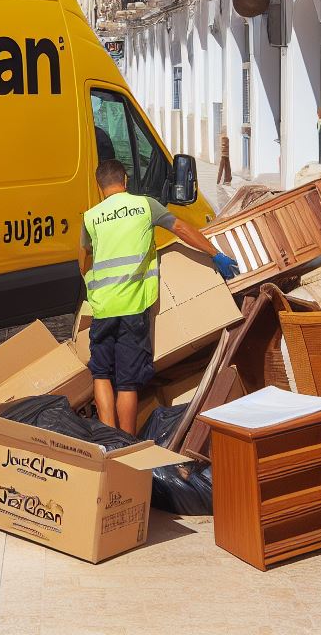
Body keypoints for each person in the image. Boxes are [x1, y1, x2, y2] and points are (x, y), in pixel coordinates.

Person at [78, 159, 239, 435]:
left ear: (99, 186)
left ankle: (107, 439)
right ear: (126, 181)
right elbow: (182, 229)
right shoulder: (144, 206)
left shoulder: (90, 217)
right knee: (127, 381)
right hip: (132, 307)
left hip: (103, 308)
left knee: (101, 373)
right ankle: (126, 443)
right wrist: (216, 254)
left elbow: (84, 262)